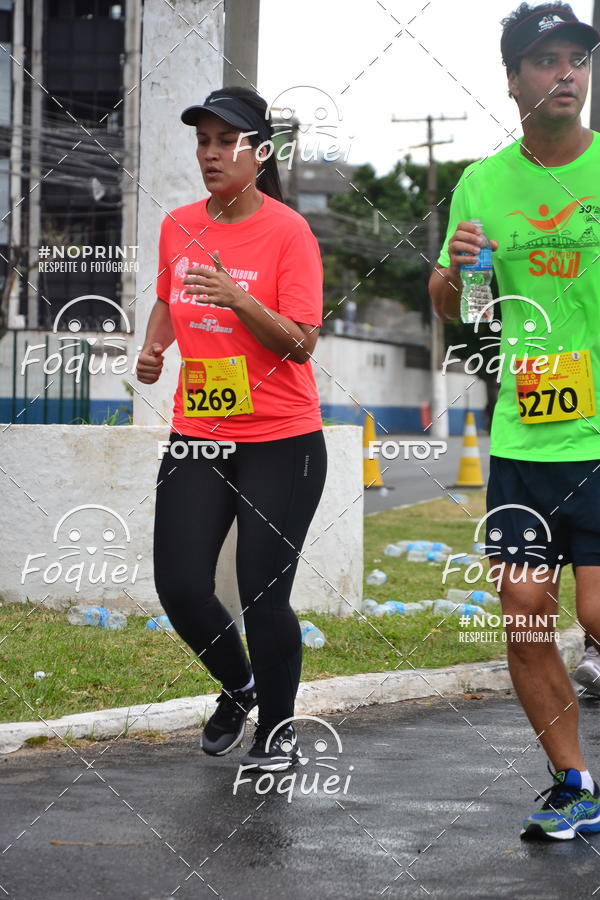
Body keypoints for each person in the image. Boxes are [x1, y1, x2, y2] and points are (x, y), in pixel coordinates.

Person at [429, 2, 600, 840]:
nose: (565, 73)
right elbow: (456, 315)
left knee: (598, 613)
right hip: (523, 436)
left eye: (576, 58)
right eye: (546, 60)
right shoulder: (483, 184)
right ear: (513, 80)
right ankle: (573, 783)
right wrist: (455, 272)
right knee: (527, 613)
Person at [136, 86, 327, 771]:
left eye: (227, 141)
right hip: (201, 431)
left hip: (283, 439)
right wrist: (156, 347)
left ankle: (279, 732)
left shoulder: (288, 232)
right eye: (203, 141)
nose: (211, 153)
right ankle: (239, 685)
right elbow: (169, 297)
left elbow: (301, 343)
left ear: (260, 152)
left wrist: (239, 298)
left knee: (262, 592)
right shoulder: (178, 224)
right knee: (181, 584)